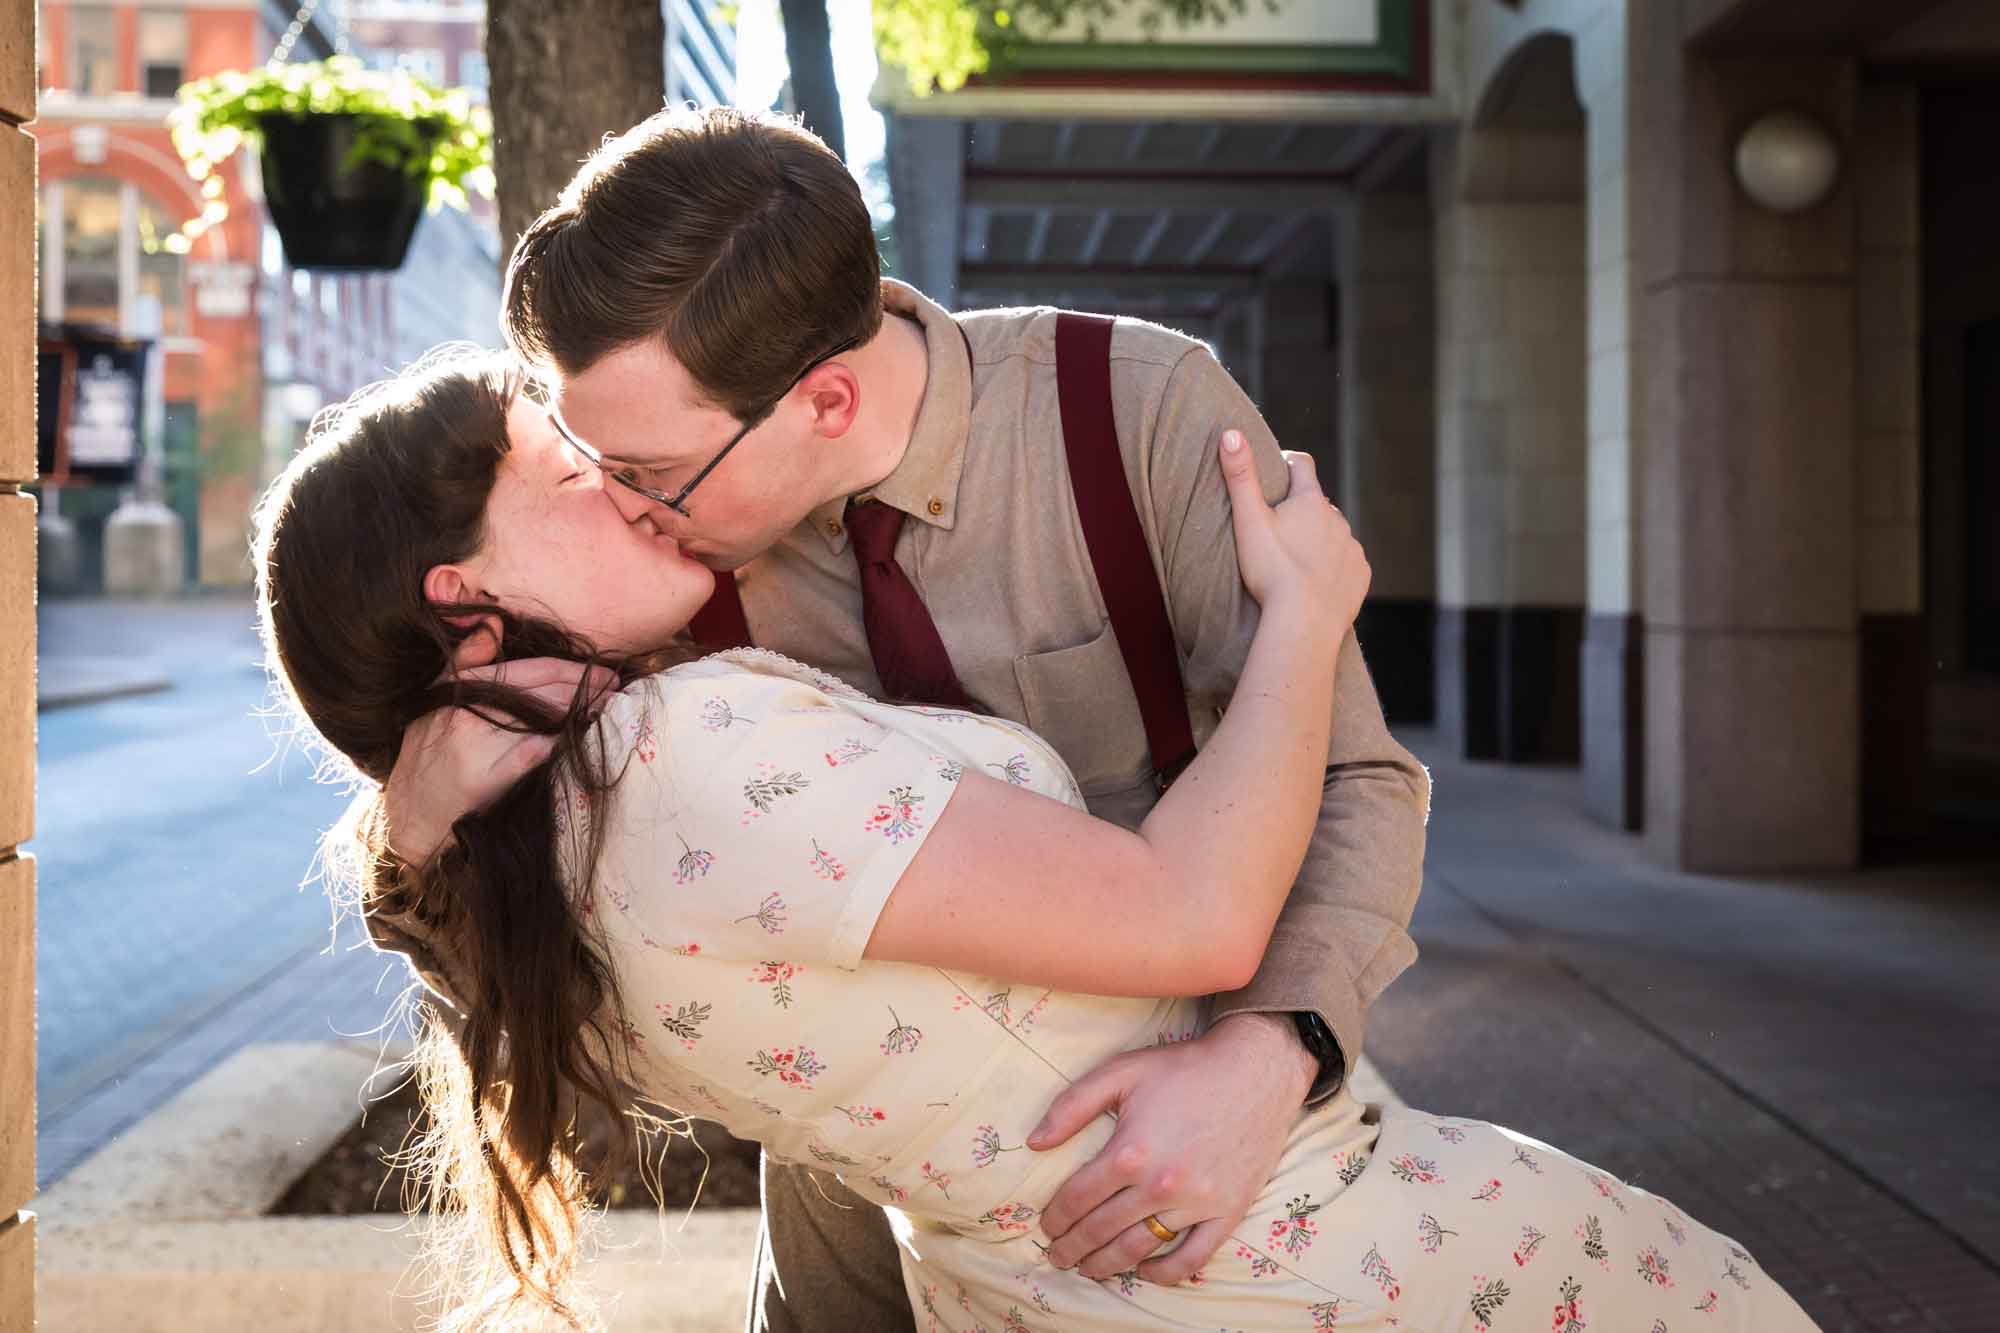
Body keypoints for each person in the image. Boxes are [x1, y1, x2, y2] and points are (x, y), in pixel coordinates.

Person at [253, 348, 1818, 1333]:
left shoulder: (495, 870)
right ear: (462, 597)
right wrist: (1310, 612)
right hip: (1298, 1252)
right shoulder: (682, 747)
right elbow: (1196, 914)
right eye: (569, 476)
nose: (627, 490)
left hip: (1011, 1287)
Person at [369, 105, 1433, 1332]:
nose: (621, 506)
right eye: (590, 458)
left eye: (651, 473)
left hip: (1172, 1152)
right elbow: (529, 892)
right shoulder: (665, 561)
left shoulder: (1128, 410)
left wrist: (1266, 1056)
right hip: (851, 1190)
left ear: (824, 399)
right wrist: (414, 831)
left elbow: (1356, 772)